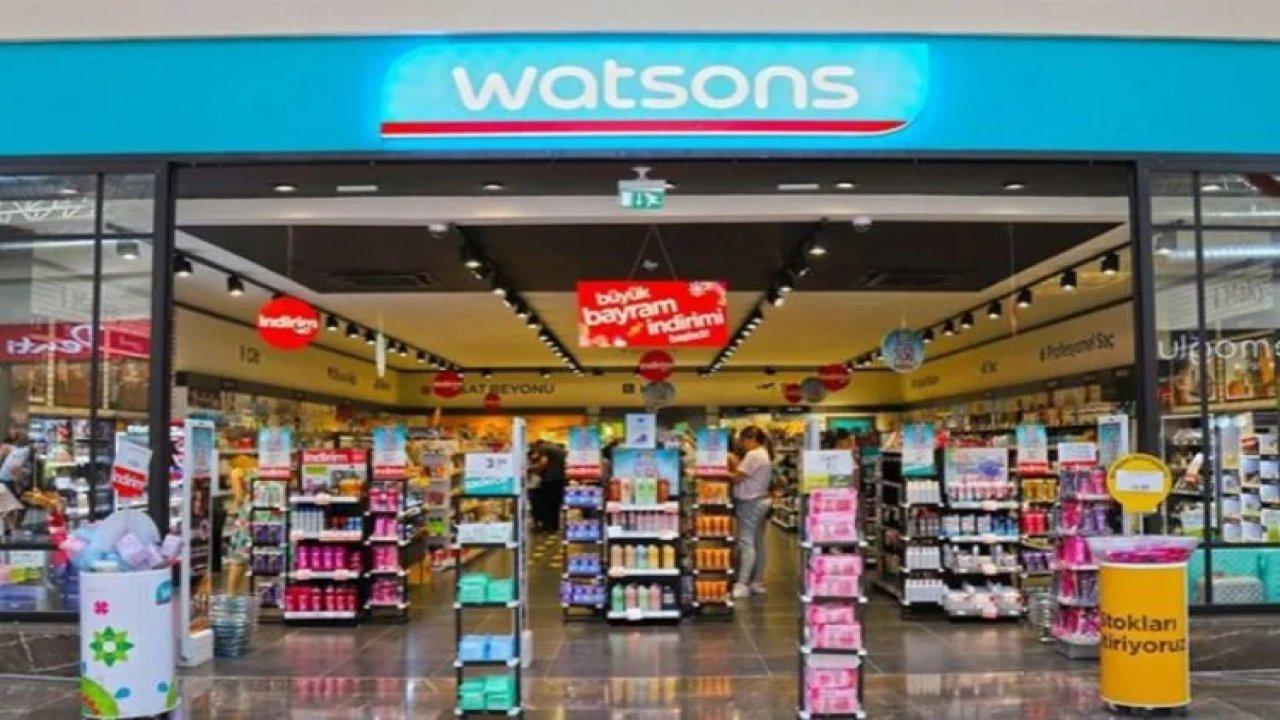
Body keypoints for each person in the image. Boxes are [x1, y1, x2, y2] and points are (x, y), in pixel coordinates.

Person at [728, 425, 773, 598]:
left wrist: (720, 471)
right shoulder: (764, 453)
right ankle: (757, 581)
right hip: (760, 501)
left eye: (744, 440)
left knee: (746, 542)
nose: (742, 444)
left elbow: (737, 478)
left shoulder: (754, 455)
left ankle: (742, 584)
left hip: (750, 502)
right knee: (757, 542)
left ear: (752, 439)